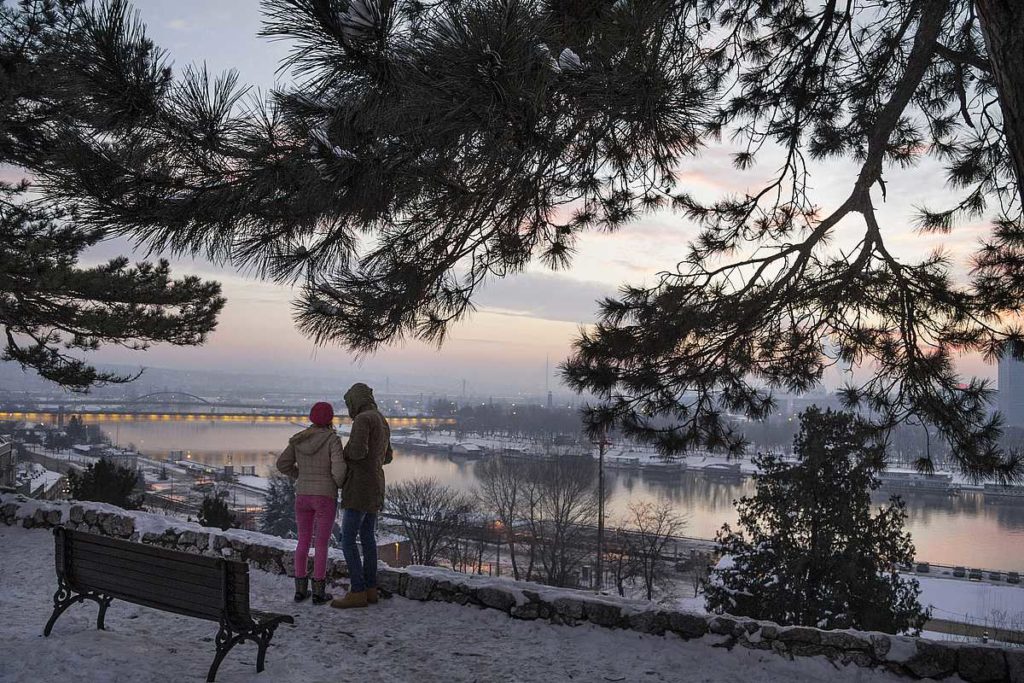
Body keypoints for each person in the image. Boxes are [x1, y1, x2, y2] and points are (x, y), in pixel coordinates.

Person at [277, 401, 345, 605]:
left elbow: (282, 464)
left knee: (303, 541)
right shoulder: (333, 439)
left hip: (303, 495)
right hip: (325, 496)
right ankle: (318, 591)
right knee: (322, 543)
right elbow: (339, 470)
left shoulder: (298, 440)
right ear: (330, 419)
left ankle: (299, 591)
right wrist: (336, 485)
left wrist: (299, 475)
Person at [331, 383, 393, 609]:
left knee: (347, 539)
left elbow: (357, 452)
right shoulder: (381, 419)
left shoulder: (362, 419)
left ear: (354, 401)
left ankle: (357, 591)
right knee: (368, 538)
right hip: (376, 484)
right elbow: (388, 457)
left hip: (359, 486)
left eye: (348, 403)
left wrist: (341, 454)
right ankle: (370, 589)